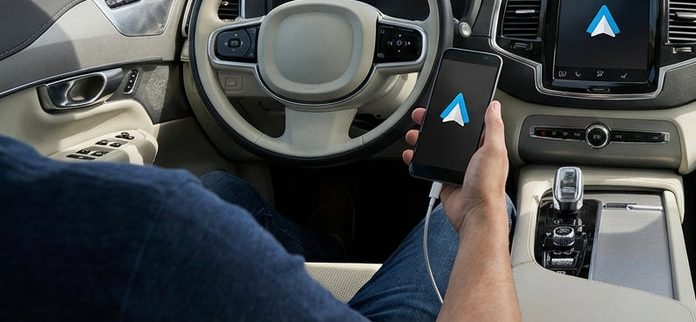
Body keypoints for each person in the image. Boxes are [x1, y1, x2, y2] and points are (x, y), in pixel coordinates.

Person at [0, 100, 520, 321]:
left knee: (221, 189)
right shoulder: (152, 226)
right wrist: (480, 211)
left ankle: (328, 246)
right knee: (495, 207)